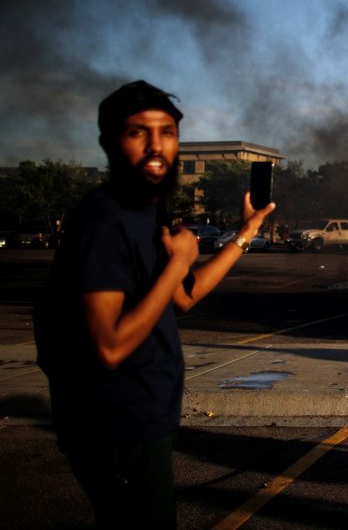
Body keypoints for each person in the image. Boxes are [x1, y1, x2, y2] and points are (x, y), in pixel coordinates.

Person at [32, 80, 275, 529]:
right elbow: (108, 346)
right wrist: (175, 263)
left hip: (144, 421)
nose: (156, 145)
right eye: (138, 132)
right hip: (117, 426)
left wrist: (245, 233)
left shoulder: (147, 211)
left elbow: (183, 295)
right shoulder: (104, 221)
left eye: (167, 132)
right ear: (108, 142)